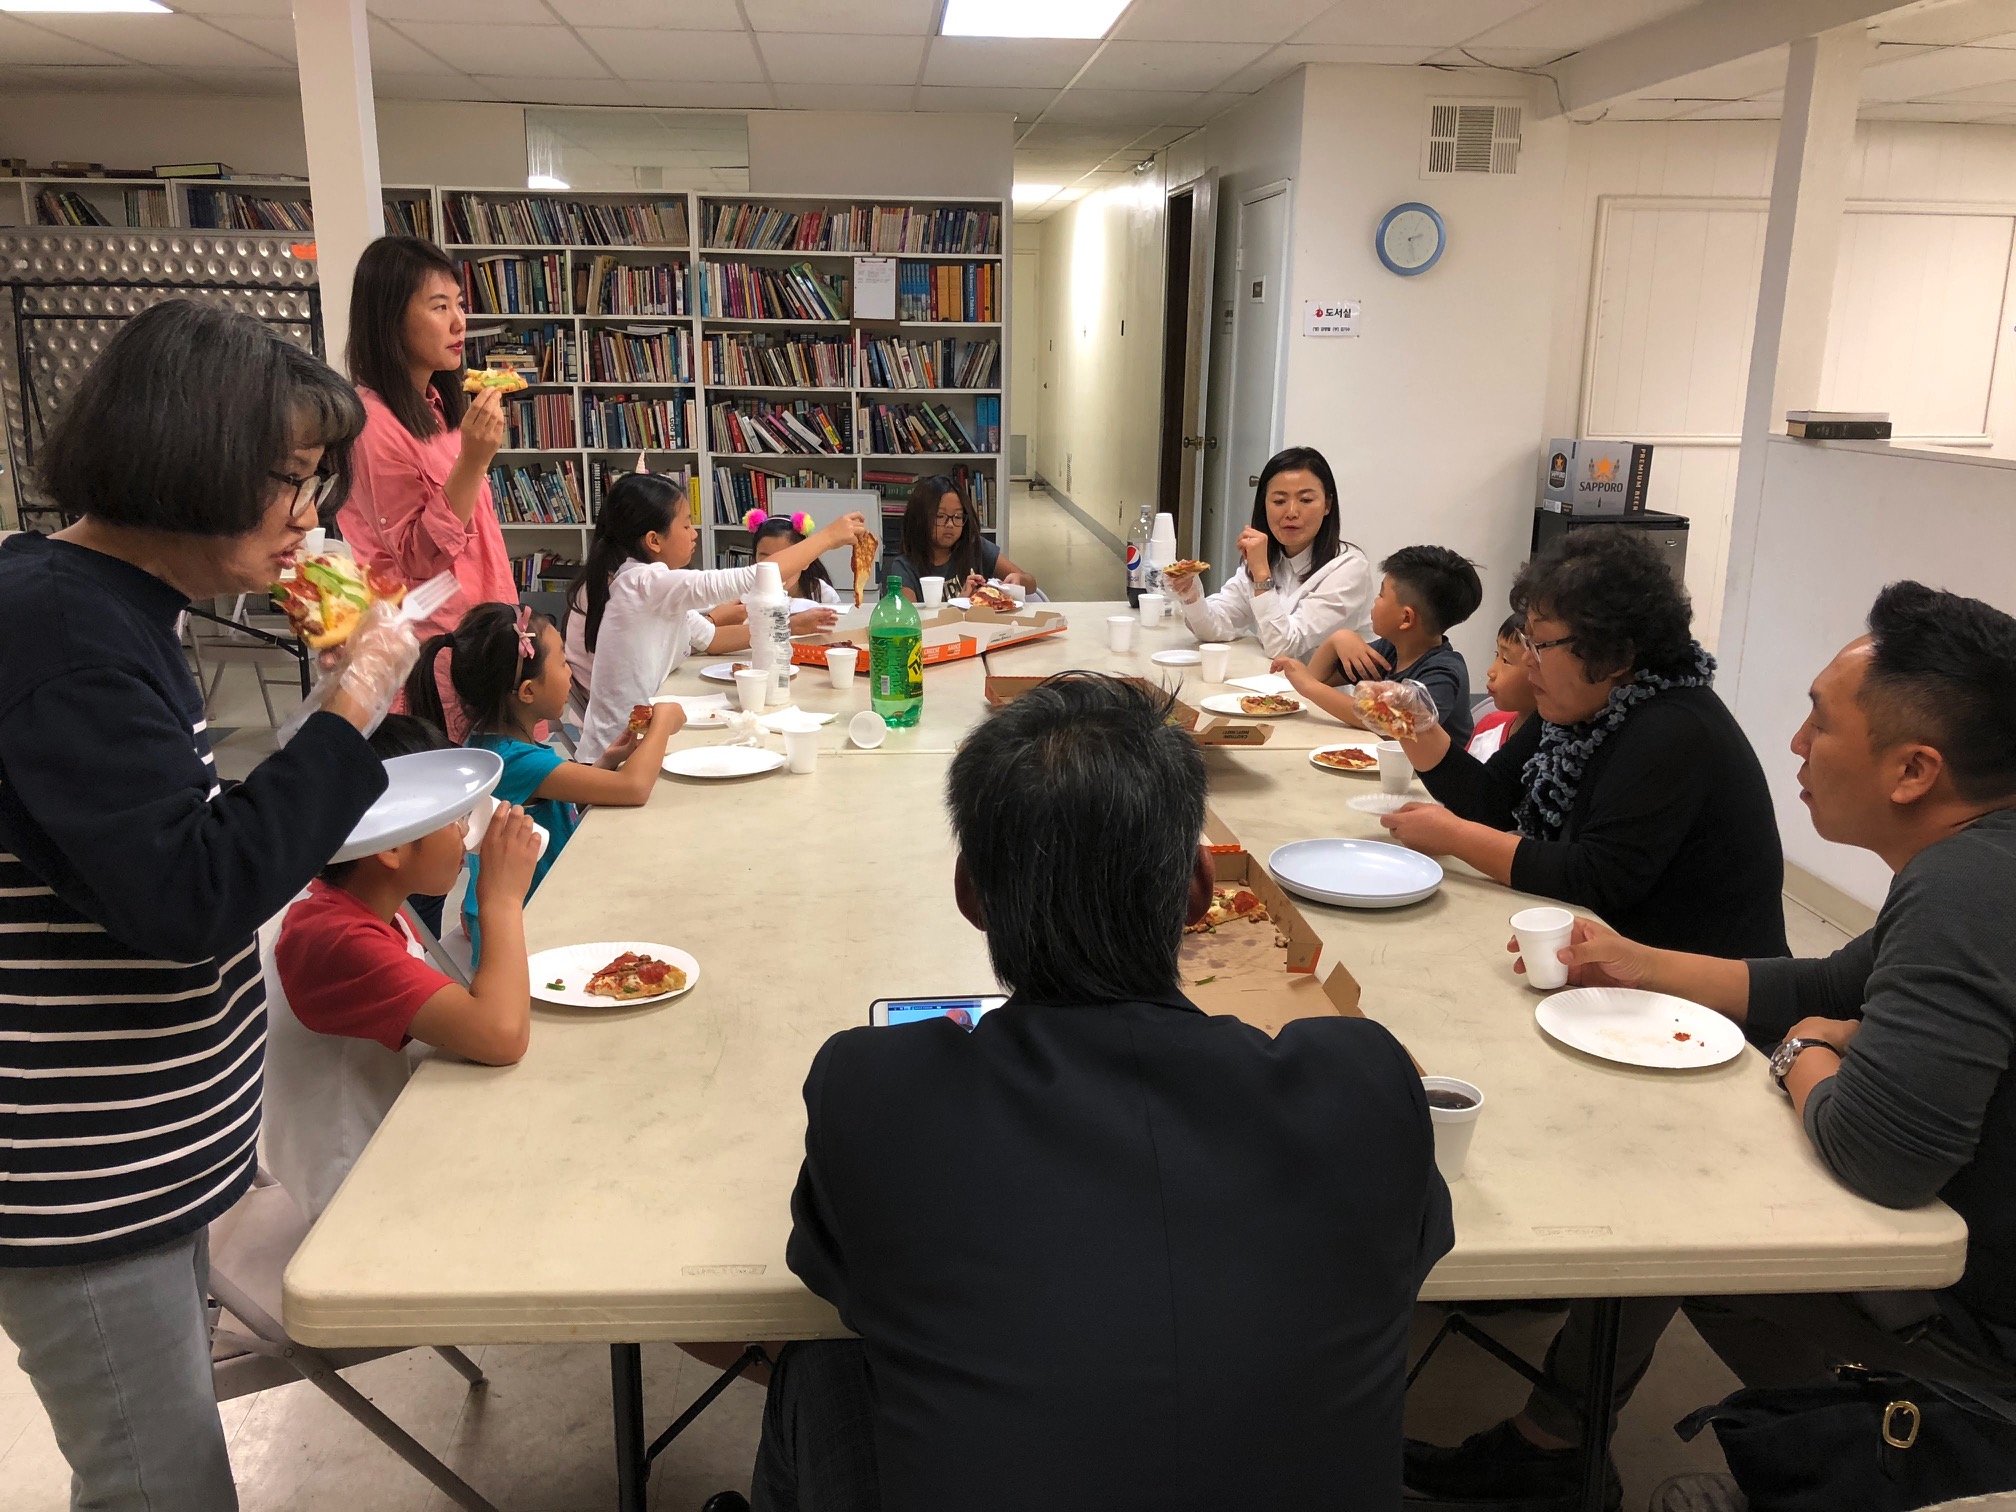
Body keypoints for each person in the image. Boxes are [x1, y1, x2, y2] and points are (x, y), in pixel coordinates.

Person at [755, 673, 1453, 1512]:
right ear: (1200, 891)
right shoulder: (1365, 1086)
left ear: (971, 895)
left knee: (821, 1367)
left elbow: (836, 1276)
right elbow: (1406, 1254)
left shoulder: (875, 1092)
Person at [1406, 583, 2016, 1505]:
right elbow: (1826, 984)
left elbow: (1883, 1154)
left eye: (1820, 722)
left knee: (1668, 1197)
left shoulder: (1964, 889)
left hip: (1972, 1310)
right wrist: (1641, 963)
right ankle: (1559, 1439)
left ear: (1914, 771)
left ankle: (1849, 1445)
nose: (1796, 744)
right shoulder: (1980, 860)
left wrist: (1803, 1054)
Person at [0, 300, 406, 1509]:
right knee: (159, 1482)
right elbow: (194, 896)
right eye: (291, 479)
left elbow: (158, 845)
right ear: (189, 459)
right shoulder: (59, 630)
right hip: (81, 1181)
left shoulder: (108, 607)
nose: (309, 518)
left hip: (143, 1164)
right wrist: (352, 710)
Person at [1368, 527, 1788, 961]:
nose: (1527, 659)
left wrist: (1457, 837)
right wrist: (1414, 723)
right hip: (1614, 958)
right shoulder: (1584, 706)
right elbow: (1489, 800)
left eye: (1540, 644)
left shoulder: (1673, 729)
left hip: (1701, 983)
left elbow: (1594, 878)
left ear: (1614, 655)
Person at [266, 791, 542, 1221]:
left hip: (391, 1131)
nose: (465, 832)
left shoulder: (363, 901)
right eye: (452, 819)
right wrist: (501, 899)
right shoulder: (333, 937)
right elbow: (502, 1035)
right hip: (355, 1188)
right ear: (391, 849)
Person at [407, 601, 681, 959]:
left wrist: (606, 761)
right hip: (529, 926)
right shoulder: (513, 760)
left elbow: (552, 800)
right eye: (563, 661)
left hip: (518, 910)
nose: (571, 672)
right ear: (528, 692)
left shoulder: (492, 744)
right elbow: (634, 788)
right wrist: (664, 719)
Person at [563, 473, 866, 763]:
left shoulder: (654, 588)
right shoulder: (645, 583)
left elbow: (711, 639)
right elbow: (754, 576)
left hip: (639, 739)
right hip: (615, 754)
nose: (694, 533)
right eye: (686, 525)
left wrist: (788, 626)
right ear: (654, 540)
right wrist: (827, 538)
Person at [338, 235, 514, 720]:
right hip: (434, 646)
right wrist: (474, 461)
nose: (459, 322)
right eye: (439, 307)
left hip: (480, 625)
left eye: (459, 304)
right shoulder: (371, 425)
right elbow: (418, 557)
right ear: (390, 319)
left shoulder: (436, 406)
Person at [1164, 445, 1377, 665]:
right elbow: (1215, 627)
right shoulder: (1270, 558)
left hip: (1328, 687)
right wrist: (1191, 594)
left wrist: (1261, 576)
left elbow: (1283, 647)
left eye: (1306, 500)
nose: (1291, 512)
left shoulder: (1349, 567)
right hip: (1273, 682)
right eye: (1279, 501)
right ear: (1264, 505)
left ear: (1327, 506)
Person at [1274, 544, 1483, 748]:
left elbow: (1392, 726)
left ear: (1406, 618)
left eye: (1382, 595)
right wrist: (1336, 640)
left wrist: (1310, 687)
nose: (1375, 601)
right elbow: (1321, 679)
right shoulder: (1390, 649)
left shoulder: (1443, 672)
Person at [885, 475, 1036, 601]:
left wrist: (1019, 580)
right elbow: (908, 620)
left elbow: (1031, 584)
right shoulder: (904, 567)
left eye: (957, 517)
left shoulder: (975, 548)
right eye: (940, 516)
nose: (950, 524)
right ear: (920, 519)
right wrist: (960, 602)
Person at [1467, 614, 1537, 762]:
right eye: (1497, 655)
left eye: (1506, 660)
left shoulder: (1559, 750)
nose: (1491, 672)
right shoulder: (1488, 725)